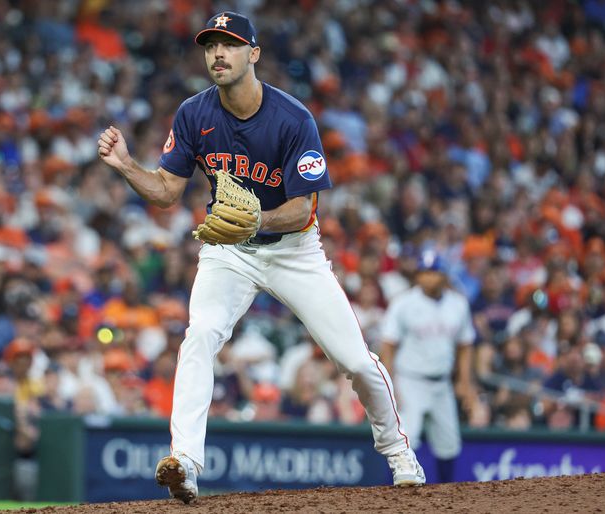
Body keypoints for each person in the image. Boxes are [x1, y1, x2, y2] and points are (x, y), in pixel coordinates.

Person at [97, 11, 423, 504]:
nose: (217, 55)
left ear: (254, 54)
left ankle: (398, 450)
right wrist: (125, 165)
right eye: (210, 47)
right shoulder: (194, 114)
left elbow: (302, 208)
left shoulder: (293, 119)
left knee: (354, 360)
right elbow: (166, 191)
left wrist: (258, 221)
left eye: (228, 45)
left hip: (294, 251)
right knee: (199, 336)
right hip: (228, 252)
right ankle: (184, 462)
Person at [380, 249, 476, 483]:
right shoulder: (403, 303)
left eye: (434, 272)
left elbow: (465, 345)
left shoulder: (458, 304)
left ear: (444, 276)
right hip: (410, 380)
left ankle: (445, 496)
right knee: (404, 442)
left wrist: (464, 383)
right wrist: (391, 386)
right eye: (424, 272)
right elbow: (388, 345)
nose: (429, 277)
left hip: (442, 383)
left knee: (449, 443)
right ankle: (391, 498)